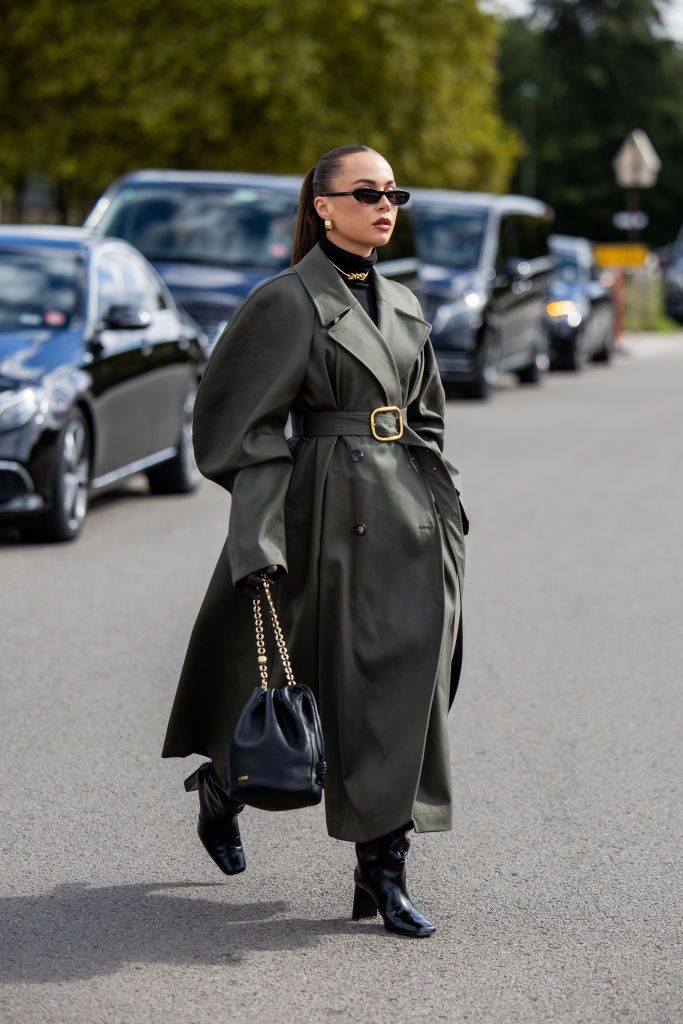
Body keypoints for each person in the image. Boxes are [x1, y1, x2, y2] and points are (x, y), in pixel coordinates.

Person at [162, 145, 468, 939]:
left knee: (401, 695)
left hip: (406, 519)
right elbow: (236, 426)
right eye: (365, 192)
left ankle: (382, 871)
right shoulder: (286, 300)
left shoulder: (400, 299)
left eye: (393, 191)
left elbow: (424, 407)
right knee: (294, 690)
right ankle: (223, 789)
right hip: (319, 517)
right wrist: (259, 535)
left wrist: (442, 498)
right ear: (322, 205)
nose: (384, 203)